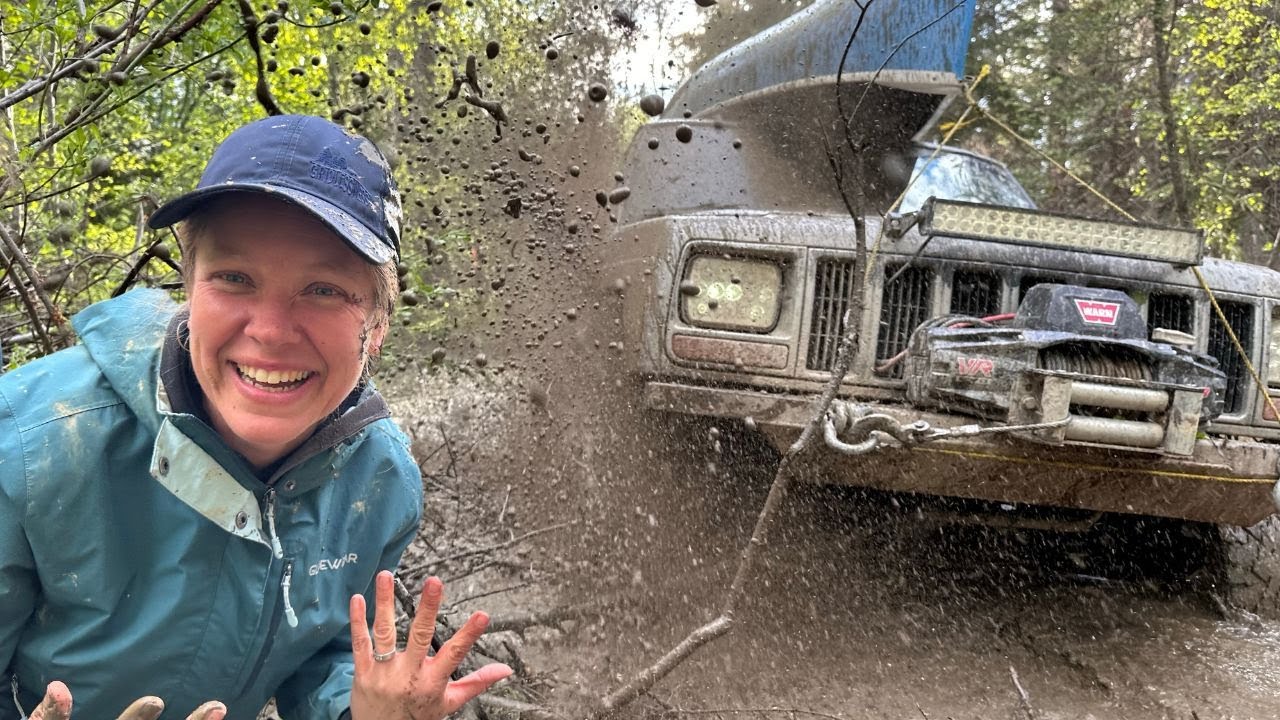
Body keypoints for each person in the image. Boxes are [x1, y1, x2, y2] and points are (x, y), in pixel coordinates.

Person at [0, 115, 512, 720]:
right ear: (189, 289)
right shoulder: (35, 442)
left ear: (377, 326)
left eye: (323, 289)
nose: (269, 331)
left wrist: (363, 710)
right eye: (234, 279)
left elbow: (319, 651)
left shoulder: (379, 482)